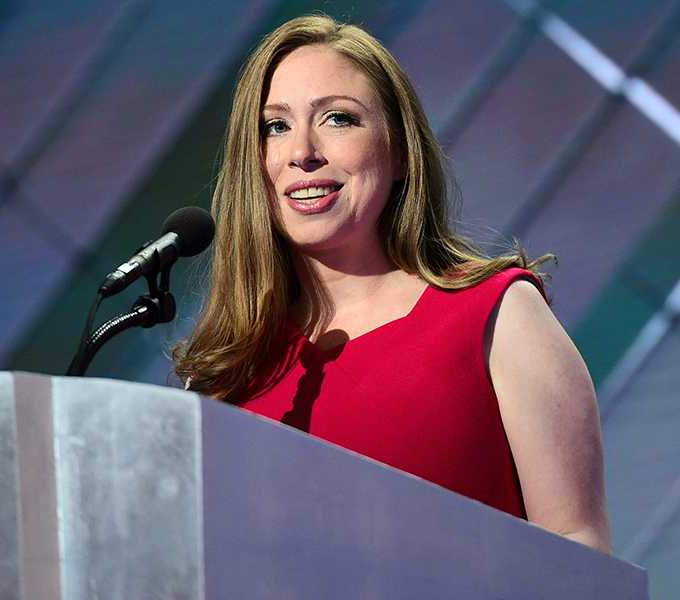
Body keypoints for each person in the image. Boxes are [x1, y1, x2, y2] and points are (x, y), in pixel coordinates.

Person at [173, 15, 611, 553]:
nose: (301, 151)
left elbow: (579, 550)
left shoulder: (497, 314)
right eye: (275, 126)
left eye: (337, 119)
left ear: (400, 151)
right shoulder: (224, 373)